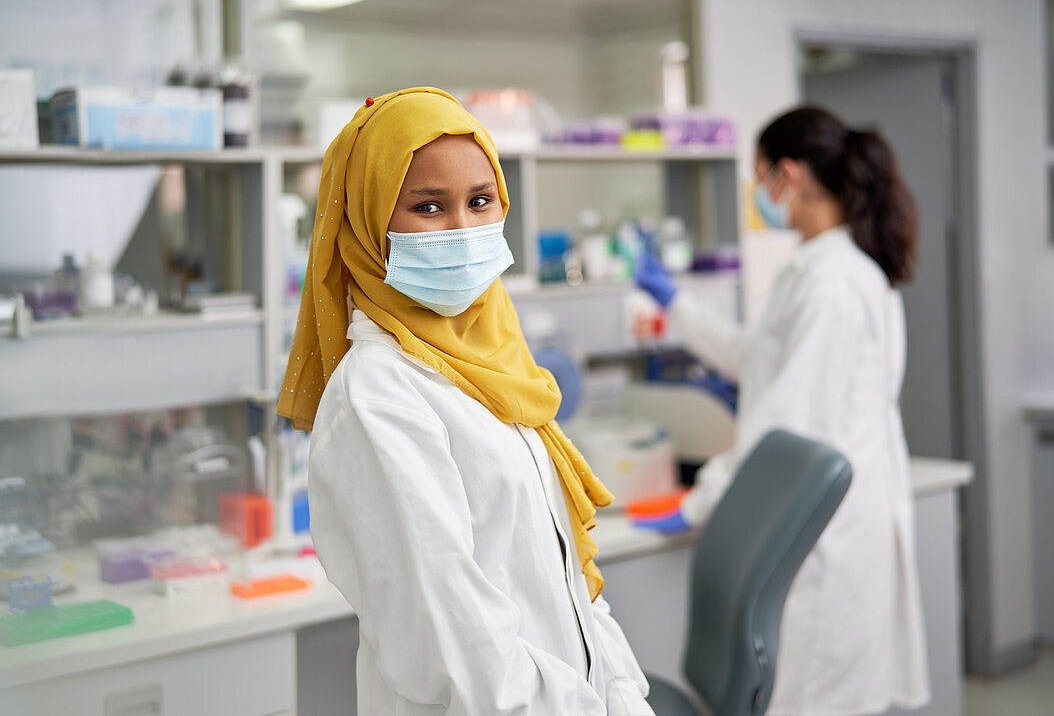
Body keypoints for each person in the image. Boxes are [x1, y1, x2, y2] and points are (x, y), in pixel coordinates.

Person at [278, 87, 653, 716]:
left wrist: (621, 693)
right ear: (368, 225)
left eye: (481, 201)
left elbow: (570, 586)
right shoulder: (376, 395)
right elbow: (453, 652)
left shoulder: (497, 368)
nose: (464, 229)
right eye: (429, 206)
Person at [633, 106, 930, 715]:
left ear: (788, 176)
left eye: (758, 177)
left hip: (830, 533)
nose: (756, 194)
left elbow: (786, 426)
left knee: (815, 694)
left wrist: (700, 499)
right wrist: (676, 303)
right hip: (832, 517)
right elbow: (757, 359)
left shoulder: (834, 283)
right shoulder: (816, 269)